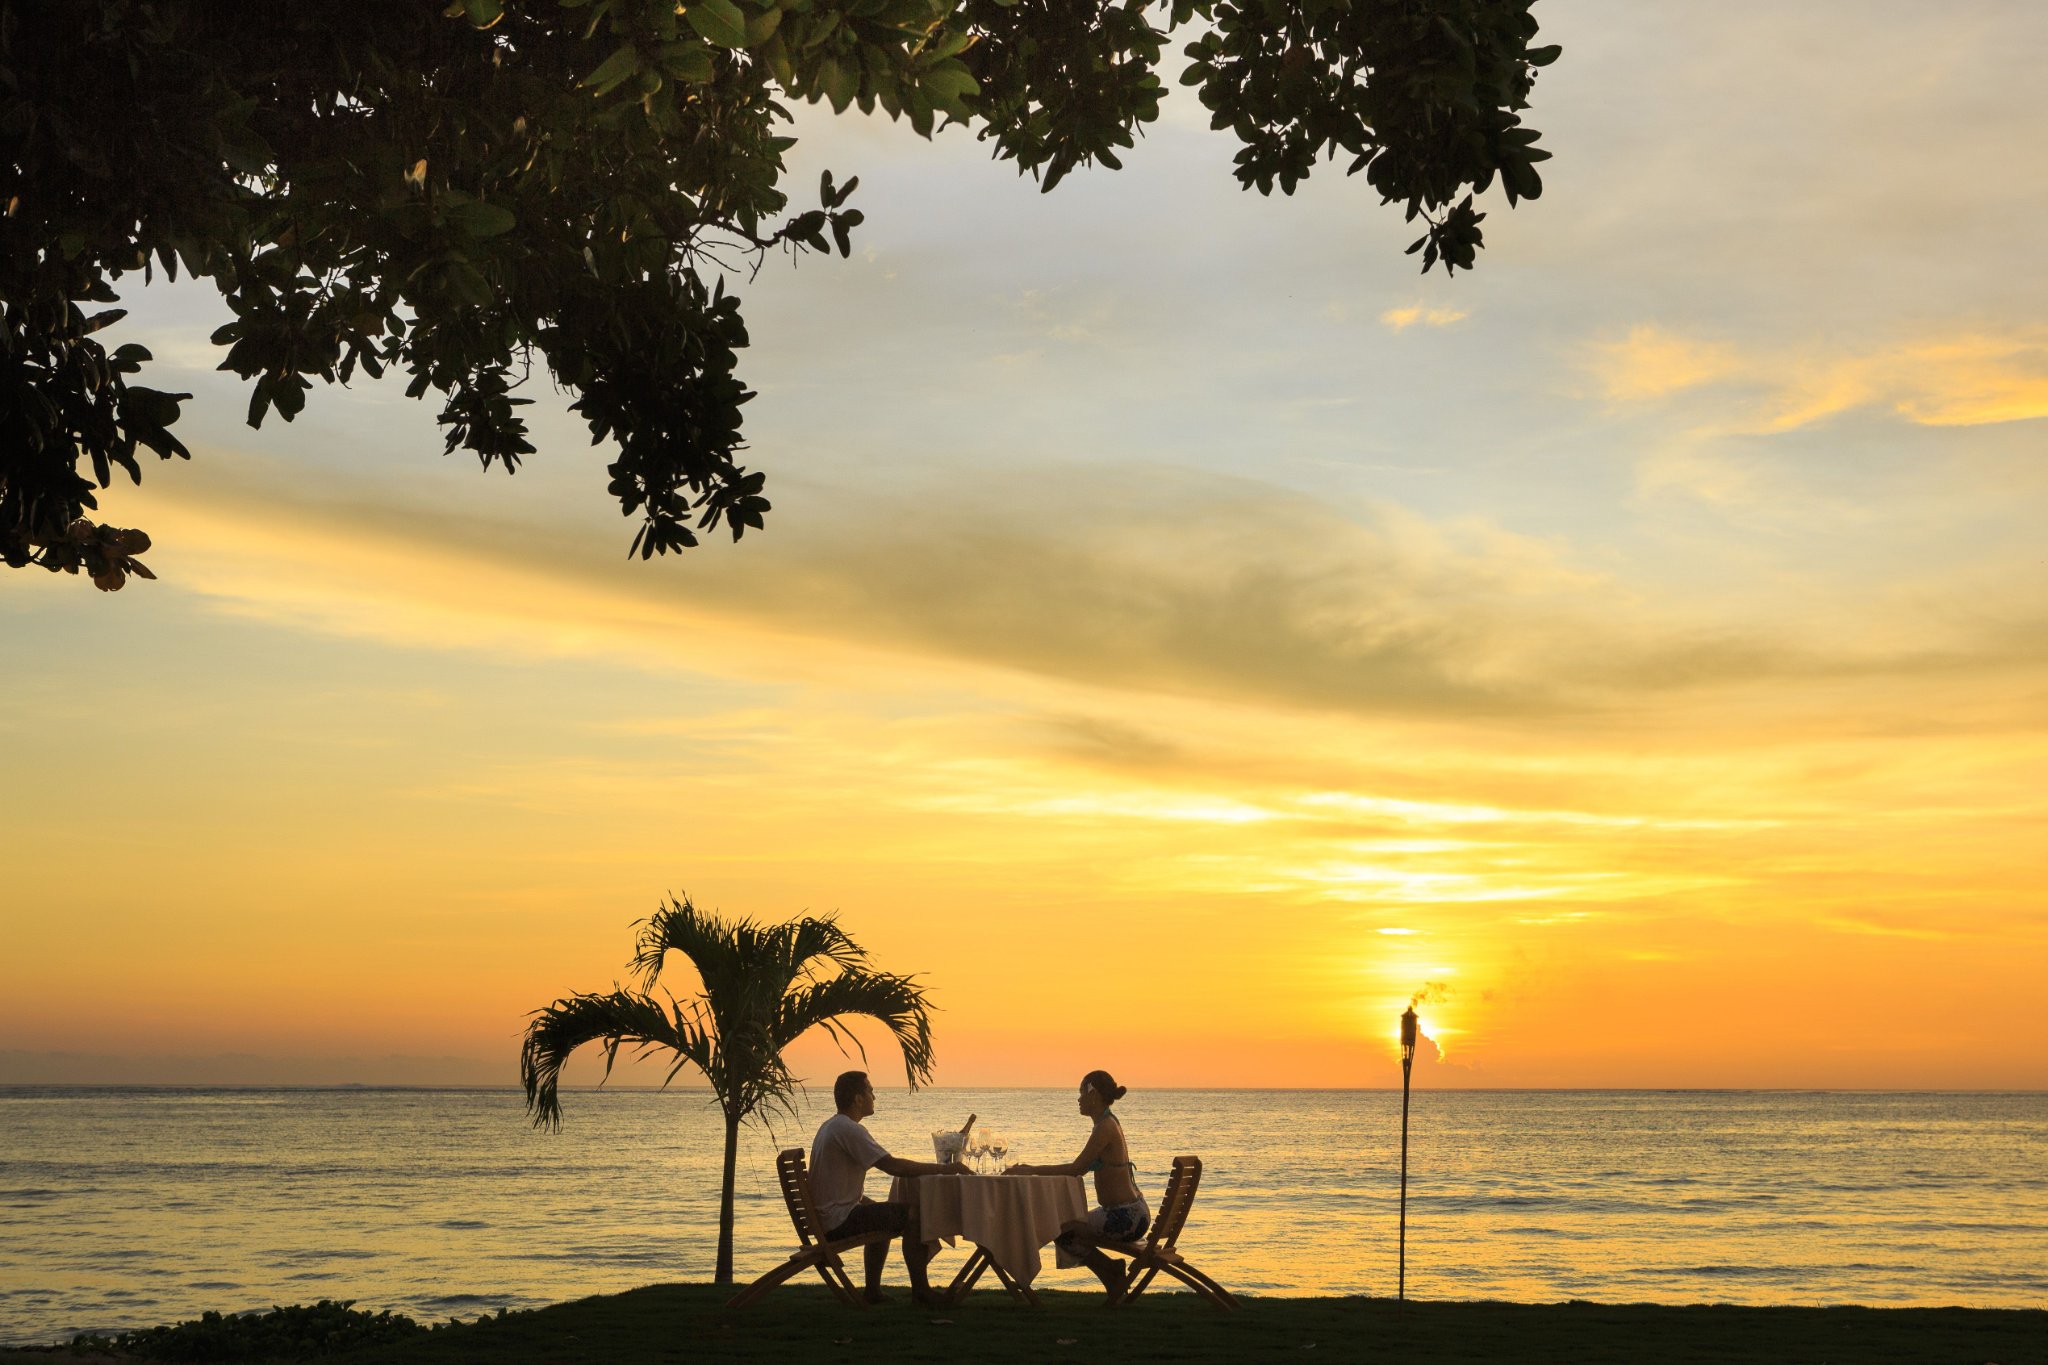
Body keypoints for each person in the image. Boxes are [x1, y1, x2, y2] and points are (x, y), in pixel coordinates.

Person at [809, 1069, 972, 1305]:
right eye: (870, 1091)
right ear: (857, 1099)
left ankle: (873, 1292)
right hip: (837, 1221)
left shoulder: (832, 1126)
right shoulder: (848, 1129)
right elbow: (893, 1166)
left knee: (885, 1213)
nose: (874, 1096)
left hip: (829, 1217)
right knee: (914, 1216)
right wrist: (947, 1169)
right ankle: (921, 1291)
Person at [1002, 1069, 1148, 1299]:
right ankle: (1111, 1272)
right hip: (1128, 1214)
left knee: (1059, 1229)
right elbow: (1079, 1168)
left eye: (1081, 1092)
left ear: (1093, 1094)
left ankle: (1111, 1272)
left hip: (1124, 1219)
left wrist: (1031, 1171)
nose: (1078, 1099)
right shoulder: (1107, 1123)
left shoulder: (1105, 1128)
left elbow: (1075, 1169)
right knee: (1062, 1224)